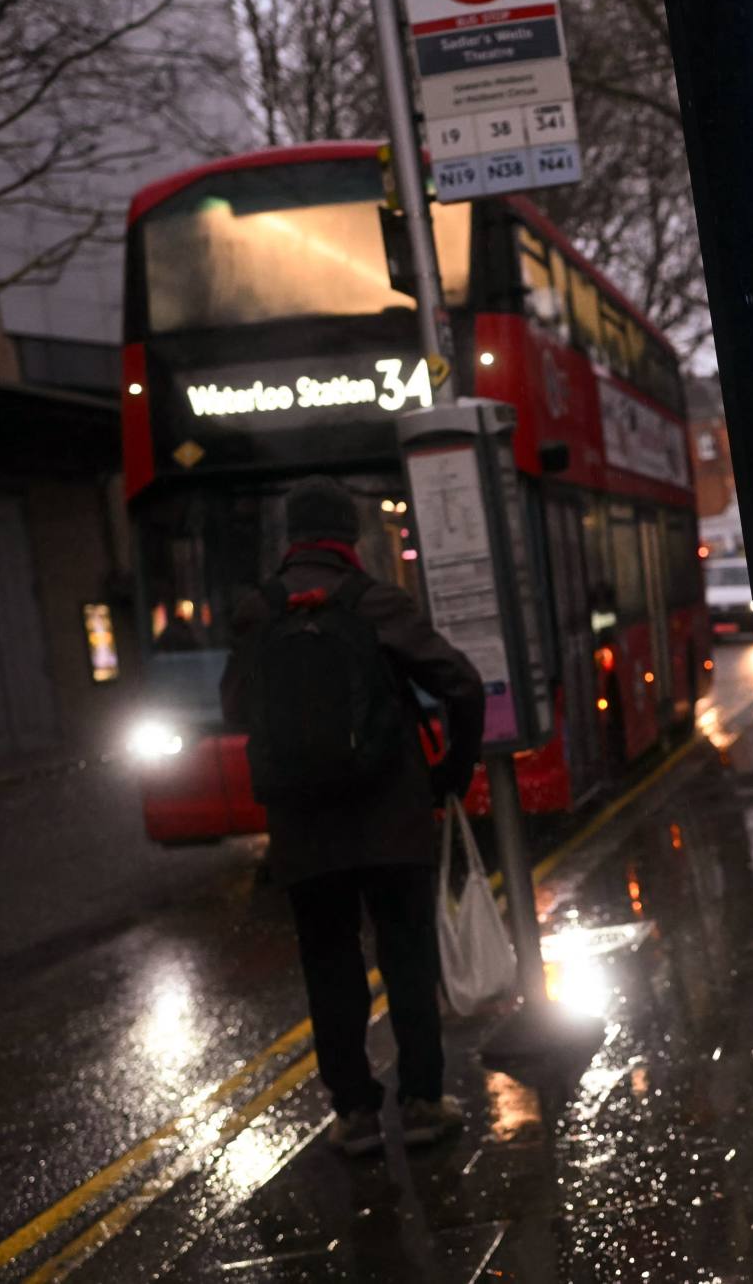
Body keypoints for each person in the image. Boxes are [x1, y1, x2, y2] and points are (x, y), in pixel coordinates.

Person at [221, 476, 486, 1154]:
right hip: (391, 817)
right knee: (406, 958)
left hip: (304, 828)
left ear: (289, 539)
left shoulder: (258, 611)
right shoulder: (375, 602)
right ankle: (424, 1101)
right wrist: (449, 771)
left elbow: (233, 709)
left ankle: (356, 1116)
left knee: (330, 968)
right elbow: (460, 684)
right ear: (351, 537)